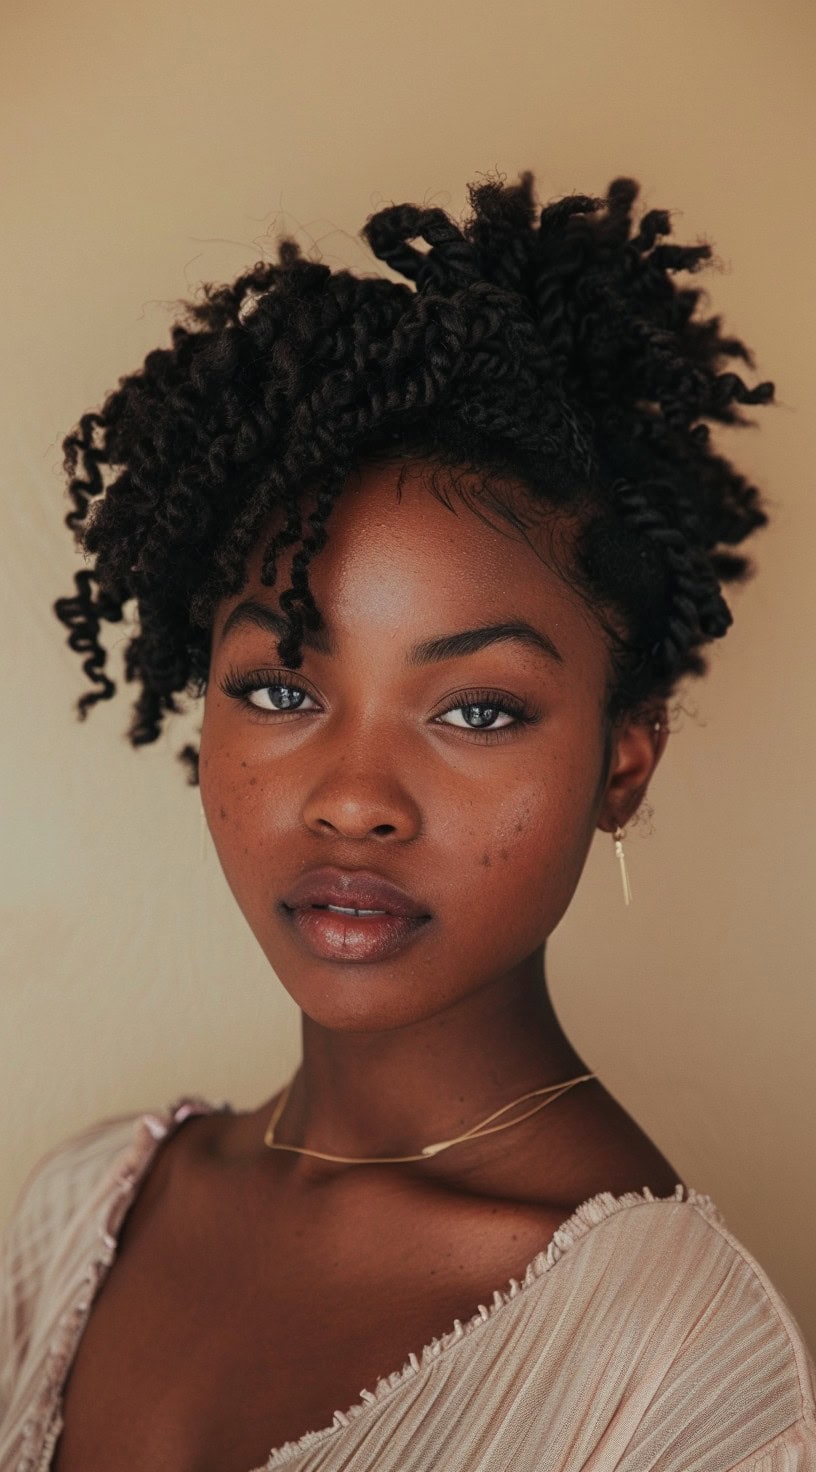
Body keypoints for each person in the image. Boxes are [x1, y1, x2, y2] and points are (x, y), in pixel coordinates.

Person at [1, 169, 814, 1472]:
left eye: (478, 711)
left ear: (624, 761)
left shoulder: (668, 1354)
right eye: (279, 688)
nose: (354, 799)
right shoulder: (86, 1206)